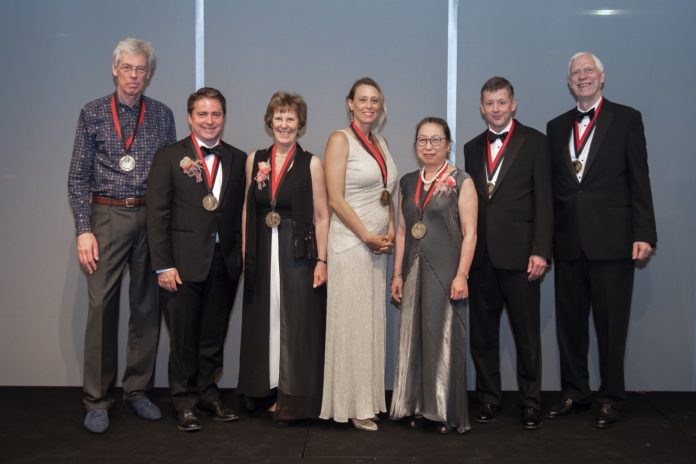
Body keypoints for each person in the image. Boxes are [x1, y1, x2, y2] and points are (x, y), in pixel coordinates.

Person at [67, 37, 176, 434]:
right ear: (115, 69)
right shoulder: (93, 113)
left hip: (149, 217)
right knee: (101, 310)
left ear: (149, 73)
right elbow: (77, 177)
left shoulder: (162, 115)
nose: (133, 76)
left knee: (147, 307)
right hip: (106, 216)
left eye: (140, 69)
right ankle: (97, 399)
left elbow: (170, 175)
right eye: (127, 68)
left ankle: (136, 391)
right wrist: (84, 229)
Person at [545, 52, 657, 429]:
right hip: (569, 244)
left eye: (588, 71)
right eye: (575, 73)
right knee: (570, 325)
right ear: (568, 82)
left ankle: (611, 397)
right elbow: (555, 191)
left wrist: (644, 232)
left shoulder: (627, 119)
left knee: (611, 326)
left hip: (613, 242)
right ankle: (575, 393)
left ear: (602, 77)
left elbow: (639, 178)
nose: (582, 77)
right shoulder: (556, 127)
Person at [146, 87, 246, 432]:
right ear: (190, 117)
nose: (209, 120)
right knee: (184, 337)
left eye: (215, 114)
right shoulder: (169, 156)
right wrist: (163, 264)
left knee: (213, 335)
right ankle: (184, 401)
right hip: (182, 264)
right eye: (202, 114)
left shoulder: (238, 158)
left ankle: (208, 393)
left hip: (224, 262)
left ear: (224, 118)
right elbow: (156, 216)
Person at [463, 76, 553, 430]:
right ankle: (488, 398)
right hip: (481, 257)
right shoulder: (471, 148)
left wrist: (541, 250)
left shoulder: (535, 142)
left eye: (502, 102)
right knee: (483, 335)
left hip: (521, 257)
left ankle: (531, 402)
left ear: (513, 104)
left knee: (527, 334)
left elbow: (545, 201)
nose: (496, 109)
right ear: (482, 107)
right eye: (489, 103)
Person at [237, 92, 329, 426]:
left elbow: (321, 216)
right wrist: (247, 253)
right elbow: (249, 207)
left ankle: (293, 397)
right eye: (279, 117)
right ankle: (265, 389)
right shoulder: (255, 159)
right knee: (268, 319)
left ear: (300, 124)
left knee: (296, 323)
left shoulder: (311, 163)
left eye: (291, 118)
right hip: (262, 249)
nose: (284, 124)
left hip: (298, 253)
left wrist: (322, 261)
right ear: (270, 121)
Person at [389, 117, 477, 434]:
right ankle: (416, 405)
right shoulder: (408, 182)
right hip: (413, 269)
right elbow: (401, 231)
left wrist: (462, 274)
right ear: (415, 145)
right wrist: (397, 273)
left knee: (443, 338)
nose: (429, 146)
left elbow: (470, 235)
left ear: (448, 144)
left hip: (446, 271)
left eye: (436, 140)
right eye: (423, 140)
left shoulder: (462, 181)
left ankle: (445, 412)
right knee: (415, 338)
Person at [320, 77, 398, 431]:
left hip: (377, 245)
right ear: (350, 103)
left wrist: (391, 227)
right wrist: (366, 234)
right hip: (351, 243)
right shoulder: (340, 139)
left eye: (376, 101)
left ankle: (367, 399)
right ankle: (351, 405)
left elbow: (387, 192)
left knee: (370, 324)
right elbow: (335, 198)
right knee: (351, 323)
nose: (370, 105)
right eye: (363, 99)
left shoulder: (380, 141)